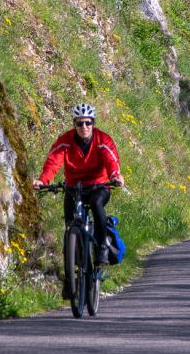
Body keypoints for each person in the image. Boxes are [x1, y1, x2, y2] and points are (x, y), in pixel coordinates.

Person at [33, 102, 124, 270]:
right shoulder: (66, 141)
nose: (84, 126)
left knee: (97, 204)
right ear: (74, 124)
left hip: (99, 186)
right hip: (74, 188)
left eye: (88, 122)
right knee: (70, 223)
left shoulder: (103, 140)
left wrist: (115, 176)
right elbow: (53, 162)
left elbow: (111, 160)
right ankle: (72, 268)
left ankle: (102, 248)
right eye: (79, 123)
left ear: (93, 123)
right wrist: (43, 181)